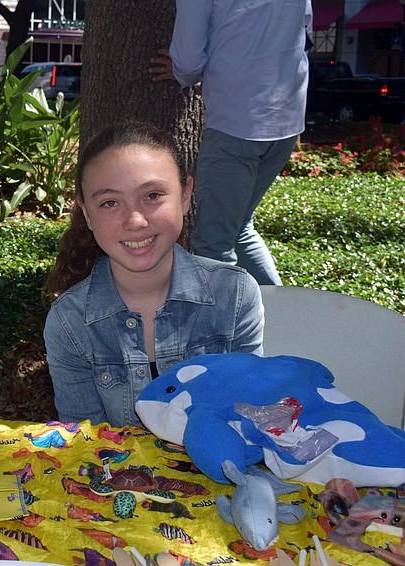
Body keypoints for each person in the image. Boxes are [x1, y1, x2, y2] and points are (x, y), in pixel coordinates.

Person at [43, 121, 264, 428]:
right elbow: (86, 448)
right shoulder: (68, 322)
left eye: (152, 196)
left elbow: (254, 418)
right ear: (87, 212)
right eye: (109, 203)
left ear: (185, 195)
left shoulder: (235, 295)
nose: (135, 220)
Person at [149, 0, 312, 285]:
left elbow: (187, 62)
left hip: (237, 124)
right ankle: (284, 320)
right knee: (239, 230)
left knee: (213, 247)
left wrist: (184, 74)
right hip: (285, 119)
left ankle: (230, 328)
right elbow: (305, 29)